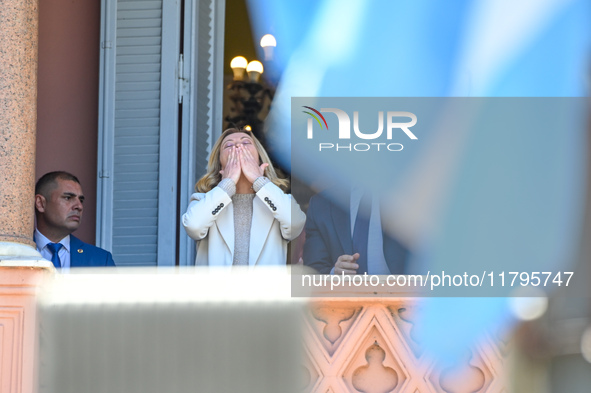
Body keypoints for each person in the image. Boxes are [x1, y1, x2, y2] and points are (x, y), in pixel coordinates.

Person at [182, 127, 306, 267]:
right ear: (220, 165)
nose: (238, 146)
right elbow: (193, 226)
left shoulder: (280, 200)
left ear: (259, 159)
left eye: (246, 143)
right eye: (228, 145)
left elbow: (295, 222)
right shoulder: (202, 200)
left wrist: (258, 179)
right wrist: (227, 183)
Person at [302, 187, 409, 275]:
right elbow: (312, 271)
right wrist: (334, 273)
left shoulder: (414, 194)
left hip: (409, 296)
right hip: (345, 298)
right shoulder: (321, 205)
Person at [34, 171, 115, 270]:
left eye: (81, 200)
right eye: (68, 198)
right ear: (40, 203)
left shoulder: (101, 260)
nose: (79, 206)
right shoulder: (16, 252)